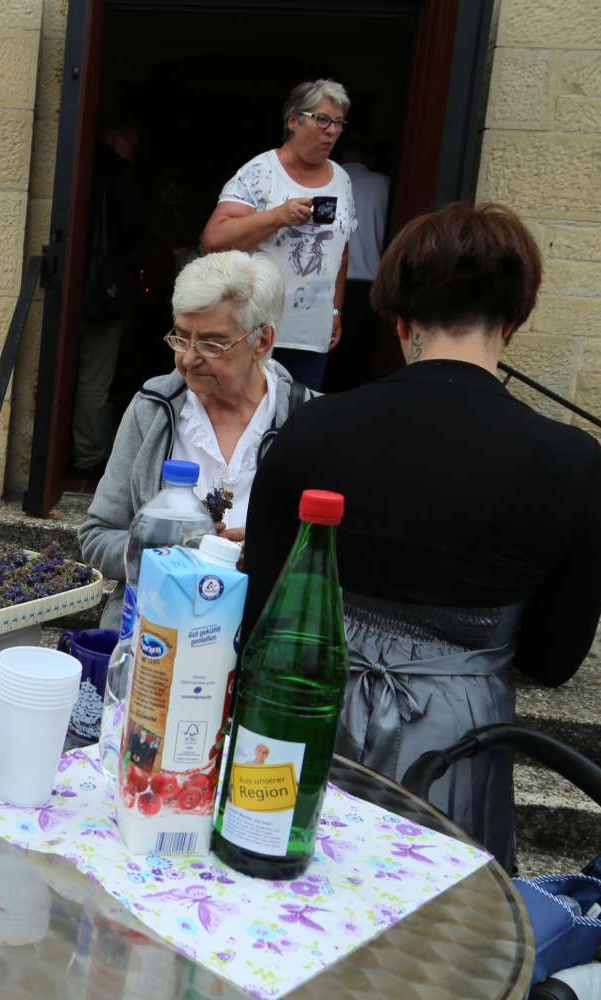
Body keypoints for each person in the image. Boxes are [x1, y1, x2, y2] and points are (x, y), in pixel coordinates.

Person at [241, 202, 601, 870]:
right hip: (457, 737)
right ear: (512, 321)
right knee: (430, 930)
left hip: (305, 716)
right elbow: (555, 656)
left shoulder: (314, 430)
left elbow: (260, 603)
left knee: (276, 899)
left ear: (399, 319)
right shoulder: (574, 463)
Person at [78, 250, 312, 627]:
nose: (187, 359)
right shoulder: (152, 410)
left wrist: (272, 553)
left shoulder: (307, 419)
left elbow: (337, 559)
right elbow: (96, 537)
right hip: (153, 633)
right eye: (181, 338)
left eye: (212, 344)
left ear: (262, 342)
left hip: (263, 633)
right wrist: (170, 550)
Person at [202, 78, 357, 391]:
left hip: (312, 338)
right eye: (322, 119)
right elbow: (214, 239)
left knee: (299, 426)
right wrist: (277, 216)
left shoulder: (342, 179)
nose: (332, 130)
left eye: (339, 123)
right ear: (294, 121)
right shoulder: (261, 172)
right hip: (256, 333)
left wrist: (336, 310)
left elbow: (341, 251)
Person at [73, 119, 150, 478]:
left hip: (73, 284)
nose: (134, 148)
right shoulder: (117, 173)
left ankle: (81, 450)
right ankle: (88, 456)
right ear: (116, 135)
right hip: (102, 289)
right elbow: (134, 225)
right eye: (131, 140)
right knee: (96, 376)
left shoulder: (79, 166)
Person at [324, 140, 391, 393]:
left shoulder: (328, 185)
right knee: (361, 363)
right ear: (371, 160)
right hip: (370, 286)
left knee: (328, 360)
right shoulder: (384, 185)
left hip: (329, 285)